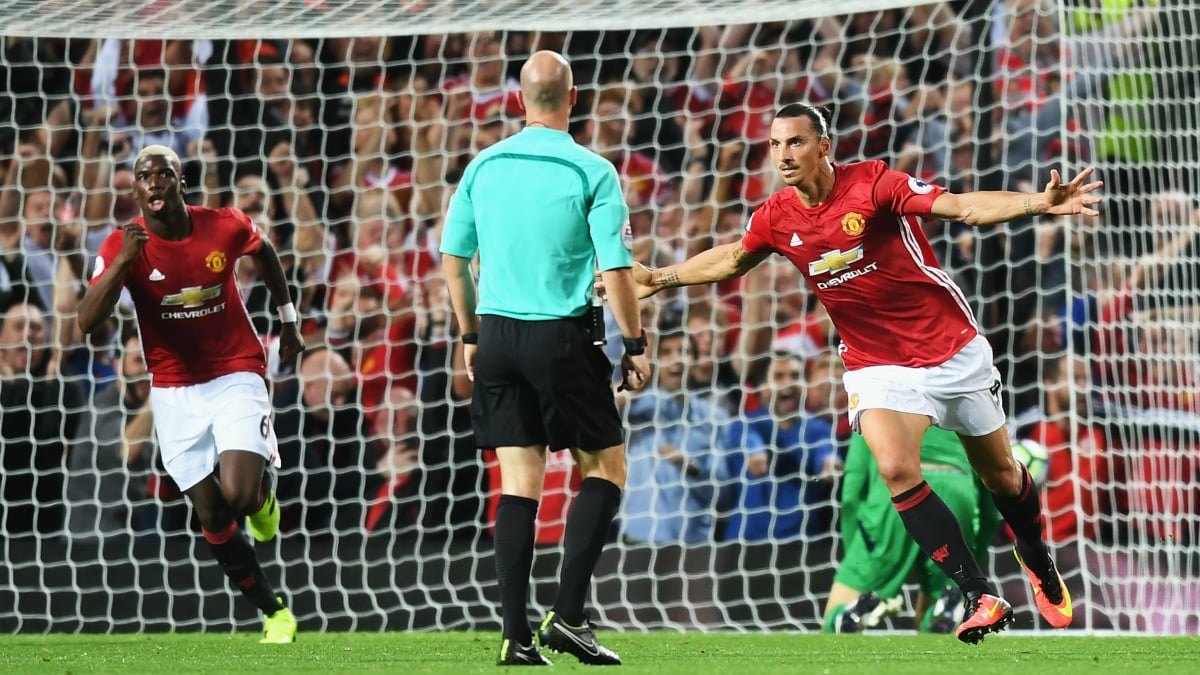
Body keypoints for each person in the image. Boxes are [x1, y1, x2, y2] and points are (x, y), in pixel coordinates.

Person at [633, 103, 1103, 644]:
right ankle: (977, 592)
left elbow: (961, 208)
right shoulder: (777, 216)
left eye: (795, 143)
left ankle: (1038, 560)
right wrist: (660, 278)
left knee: (1001, 475)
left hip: (949, 348)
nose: (783, 155)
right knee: (896, 470)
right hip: (874, 361)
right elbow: (733, 260)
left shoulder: (876, 184)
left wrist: (1036, 203)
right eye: (775, 145)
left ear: (823, 145)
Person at [440, 50, 651, 666]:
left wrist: (470, 335)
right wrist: (634, 344)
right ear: (575, 97)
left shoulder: (483, 165)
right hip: (562, 336)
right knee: (606, 469)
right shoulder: (593, 171)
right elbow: (614, 268)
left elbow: (454, 262)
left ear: (519, 100)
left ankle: (513, 635)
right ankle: (569, 614)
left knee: (518, 483)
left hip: (498, 338)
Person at [77, 144, 303, 644]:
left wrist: (289, 320)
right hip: (173, 389)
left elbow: (263, 251)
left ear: (181, 182)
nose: (154, 182)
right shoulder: (122, 245)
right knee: (212, 513)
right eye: (144, 176)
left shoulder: (223, 224)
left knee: (241, 495)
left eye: (164, 174)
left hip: (234, 373)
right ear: (134, 188)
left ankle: (263, 501)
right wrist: (124, 265)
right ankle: (275, 612)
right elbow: (86, 322)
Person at [823, 427, 1002, 634]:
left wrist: (856, 561)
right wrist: (970, 570)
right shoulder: (963, 397)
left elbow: (852, 492)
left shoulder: (876, 398)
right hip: (956, 493)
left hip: (896, 494)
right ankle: (943, 612)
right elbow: (992, 502)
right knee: (940, 614)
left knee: (832, 624)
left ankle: (848, 615)